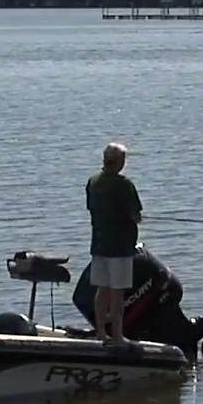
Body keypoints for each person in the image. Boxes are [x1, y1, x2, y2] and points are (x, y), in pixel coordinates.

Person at [85, 142, 143, 346]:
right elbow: (135, 215)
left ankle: (101, 332)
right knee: (117, 294)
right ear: (120, 162)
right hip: (120, 247)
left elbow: (91, 209)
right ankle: (117, 336)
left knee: (103, 289)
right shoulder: (124, 184)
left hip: (99, 245)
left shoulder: (93, 182)